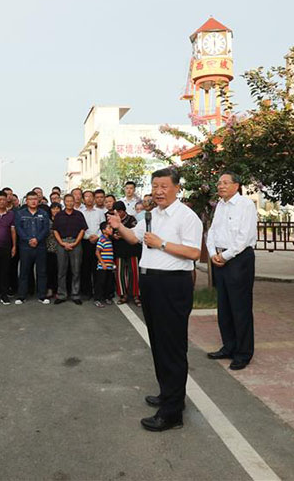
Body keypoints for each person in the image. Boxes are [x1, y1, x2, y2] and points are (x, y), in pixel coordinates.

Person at [107, 167, 204, 431]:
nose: (158, 191)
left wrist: (161, 244)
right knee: (159, 343)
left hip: (172, 283)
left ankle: (172, 413)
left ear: (177, 188)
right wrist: (118, 227)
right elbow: (135, 238)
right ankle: (168, 394)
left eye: (164, 186)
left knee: (172, 345)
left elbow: (194, 252)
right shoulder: (151, 214)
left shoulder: (187, 216)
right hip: (150, 282)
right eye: (155, 186)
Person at [206, 172, 258, 371]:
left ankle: (243, 353)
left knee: (240, 307)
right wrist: (212, 253)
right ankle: (229, 346)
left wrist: (225, 256)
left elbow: (244, 237)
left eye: (225, 183)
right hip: (220, 259)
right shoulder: (220, 204)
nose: (220, 186)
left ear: (236, 185)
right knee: (224, 306)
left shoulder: (245, 205)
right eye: (219, 183)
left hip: (239, 260)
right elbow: (212, 232)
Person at [14, 191, 52, 304]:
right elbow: (18, 229)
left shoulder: (43, 213)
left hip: (40, 246)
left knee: (42, 271)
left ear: (38, 200)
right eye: (30, 199)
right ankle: (22, 296)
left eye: (35, 199)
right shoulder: (20, 213)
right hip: (25, 246)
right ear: (26, 201)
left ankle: (42, 295)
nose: (33, 201)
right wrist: (28, 239)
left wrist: (37, 239)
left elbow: (46, 229)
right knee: (24, 271)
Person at [52, 194, 87, 305]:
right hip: (62, 243)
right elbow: (55, 230)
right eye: (67, 201)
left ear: (74, 201)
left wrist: (76, 242)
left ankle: (75, 294)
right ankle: (62, 294)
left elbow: (82, 230)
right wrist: (62, 243)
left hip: (76, 243)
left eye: (71, 201)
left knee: (76, 270)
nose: (70, 203)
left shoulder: (79, 215)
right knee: (61, 270)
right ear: (64, 202)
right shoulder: (59, 215)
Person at [113, 201, 141, 306]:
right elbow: (109, 231)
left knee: (134, 273)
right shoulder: (113, 219)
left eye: (119, 212)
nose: (117, 214)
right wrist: (113, 235)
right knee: (120, 274)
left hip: (132, 250)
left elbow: (134, 232)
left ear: (123, 211)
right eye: (115, 212)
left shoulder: (131, 219)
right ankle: (123, 295)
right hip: (119, 250)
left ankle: (136, 295)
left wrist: (123, 234)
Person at [79, 191, 105, 299]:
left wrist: (97, 236)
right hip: (85, 241)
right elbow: (79, 228)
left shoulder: (100, 212)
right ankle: (87, 292)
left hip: (98, 242)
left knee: (97, 267)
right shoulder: (80, 212)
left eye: (91, 196)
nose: (89, 199)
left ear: (93, 198)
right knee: (85, 267)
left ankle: (98, 292)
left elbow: (103, 226)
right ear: (83, 199)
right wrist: (88, 236)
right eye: (86, 196)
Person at [94, 221, 116, 308]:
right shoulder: (102, 239)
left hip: (109, 266)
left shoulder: (109, 239)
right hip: (102, 266)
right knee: (100, 283)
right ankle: (97, 299)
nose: (111, 230)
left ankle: (107, 297)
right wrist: (102, 263)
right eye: (109, 228)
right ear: (103, 231)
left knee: (108, 282)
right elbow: (97, 252)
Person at [46, 202, 62, 297]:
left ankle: (58, 290)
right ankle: (50, 289)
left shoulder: (63, 220)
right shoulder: (47, 220)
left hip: (60, 248)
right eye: (53, 208)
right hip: (49, 248)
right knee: (49, 270)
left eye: (57, 208)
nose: (55, 210)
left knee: (60, 270)